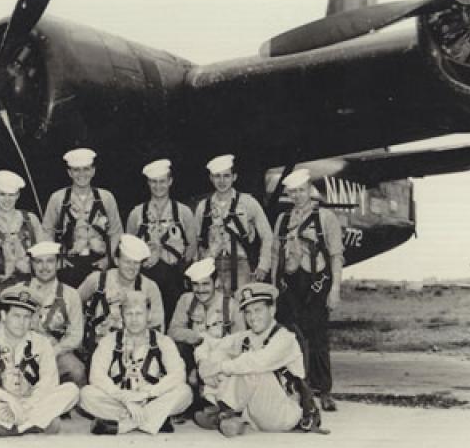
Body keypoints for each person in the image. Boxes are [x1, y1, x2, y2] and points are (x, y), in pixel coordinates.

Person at [194, 282, 320, 437]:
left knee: (249, 366)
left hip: (283, 412)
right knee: (220, 355)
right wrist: (203, 363)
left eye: (258, 310)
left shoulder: (285, 338)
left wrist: (219, 367)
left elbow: (257, 362)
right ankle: (234, 419)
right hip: (255, 409)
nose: (253, 317)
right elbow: (211, 343)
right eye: (248, 312)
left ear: (272, 310)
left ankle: (224, 412)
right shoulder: (247, 336)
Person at [0, 284, 80, 438]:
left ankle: (7, 427)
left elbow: (48, 383)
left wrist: (24, 405)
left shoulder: (42, 344)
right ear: (4, 316)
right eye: (16, 316)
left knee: (71, 391)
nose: (21, 322)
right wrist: (7, 399)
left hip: (31, 402)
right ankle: (34, 424)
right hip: (0, 403)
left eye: (26, 317)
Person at [271, 168, 343, 412]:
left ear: (310, 190)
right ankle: (298, 387)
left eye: (301, 190)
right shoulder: (283, 220)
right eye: (293, 192)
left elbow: (335, 256)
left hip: (316, 284)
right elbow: (275, 256)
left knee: (318, 338)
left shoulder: (325, 218)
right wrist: (273, 288)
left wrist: (335, 289)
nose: (297, 196)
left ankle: (324, 390)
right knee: (290, 337)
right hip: (289, 286)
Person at [80, 290, 192, 435]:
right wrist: (125, 399)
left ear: (149, 315)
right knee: (86, 394)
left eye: (139, 314)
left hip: (151, 398)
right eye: (129, 314)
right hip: (120, 400)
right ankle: (153, 419)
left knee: (185, 392)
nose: (134, 320)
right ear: (122, 316)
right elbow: (96, 376)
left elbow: (178, 374)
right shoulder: (109, 341)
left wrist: (147, 394)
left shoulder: (163, 341)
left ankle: (123, 425)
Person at [126, 159, 196, 323]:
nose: (158, 186)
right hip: (146, 277)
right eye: (154, 182)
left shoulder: (183, 212)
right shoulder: (137, 214)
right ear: (148, 183)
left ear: (170, 181)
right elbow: (128, 249)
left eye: (162, 181)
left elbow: (192, 245)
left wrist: (184, 270)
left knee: (175, 320)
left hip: (175, 277)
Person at [42, 148, 123, 288]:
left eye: (86, 169)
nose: (82, 174)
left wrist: (108, 259)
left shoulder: (106, 197)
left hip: (99, 261)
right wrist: (56, 259)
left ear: (93, 171)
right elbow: (46, 231)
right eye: (76, 170)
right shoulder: (58, 198)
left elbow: (116, 232)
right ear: (69, 172)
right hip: (68, 263)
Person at [0, 170, 44, 327]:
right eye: (2, 194)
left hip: (26, 288)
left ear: (18, 195)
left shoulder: (31, 221)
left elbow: (43, 261)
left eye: (11, 195)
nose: (7, 200)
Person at [194, 154, 273, 296]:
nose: (222, 181)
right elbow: (196, 242)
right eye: (217, 176)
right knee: (214, 311)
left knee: (240, 308)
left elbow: (267, 235)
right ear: (211, 178)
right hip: (212, 266)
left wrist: (263, 266)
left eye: (226, 176)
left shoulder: (248, 202)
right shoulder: (203, 207)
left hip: (241, 265)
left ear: (234, 177)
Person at [168, 257, 244, 401]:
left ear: (216, 283)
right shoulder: (186, 300)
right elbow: (173, 331)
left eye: (205, 284)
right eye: (196, 285)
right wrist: (198, 337)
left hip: (220, 358)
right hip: (193, 355)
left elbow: (240, 342)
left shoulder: (232, 306)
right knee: (175, 349)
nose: (200, 290)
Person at [78, 234, 165, 357]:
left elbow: (158, 325)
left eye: (136, 263)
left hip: (135, 349)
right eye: (127, 262)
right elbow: (73, 304)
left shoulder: (150, 287)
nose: (132, 268)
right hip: (98, 347)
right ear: (117, 261)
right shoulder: (97, 279)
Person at [27, 241, 86, 386]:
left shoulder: (70, 295)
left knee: (76, 370)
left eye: (50, 261)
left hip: (57, 353)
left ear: (58, 264)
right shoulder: (20, 292)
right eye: (39, 262)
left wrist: (54, 351)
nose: (44, 267)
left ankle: (72, 407)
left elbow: (76, 335)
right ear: (32, 265)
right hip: (25, 354)